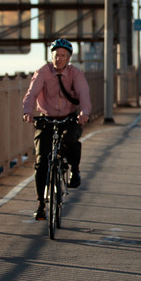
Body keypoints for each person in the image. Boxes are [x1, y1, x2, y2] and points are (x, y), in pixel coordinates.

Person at [22, 39, 91, 220]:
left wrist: (84, 112)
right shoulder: (43, 72)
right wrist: (27, 111)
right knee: (41, 161)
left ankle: (74, 170)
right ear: (51, 56)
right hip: (46, 119)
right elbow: (31, 94)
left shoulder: (76, 74)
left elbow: (84, 94)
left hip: (69, 118)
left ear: (68, 58)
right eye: (55, 55)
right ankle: (41, 204)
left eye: (62, 55)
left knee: (71, 140)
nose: (58, 59)